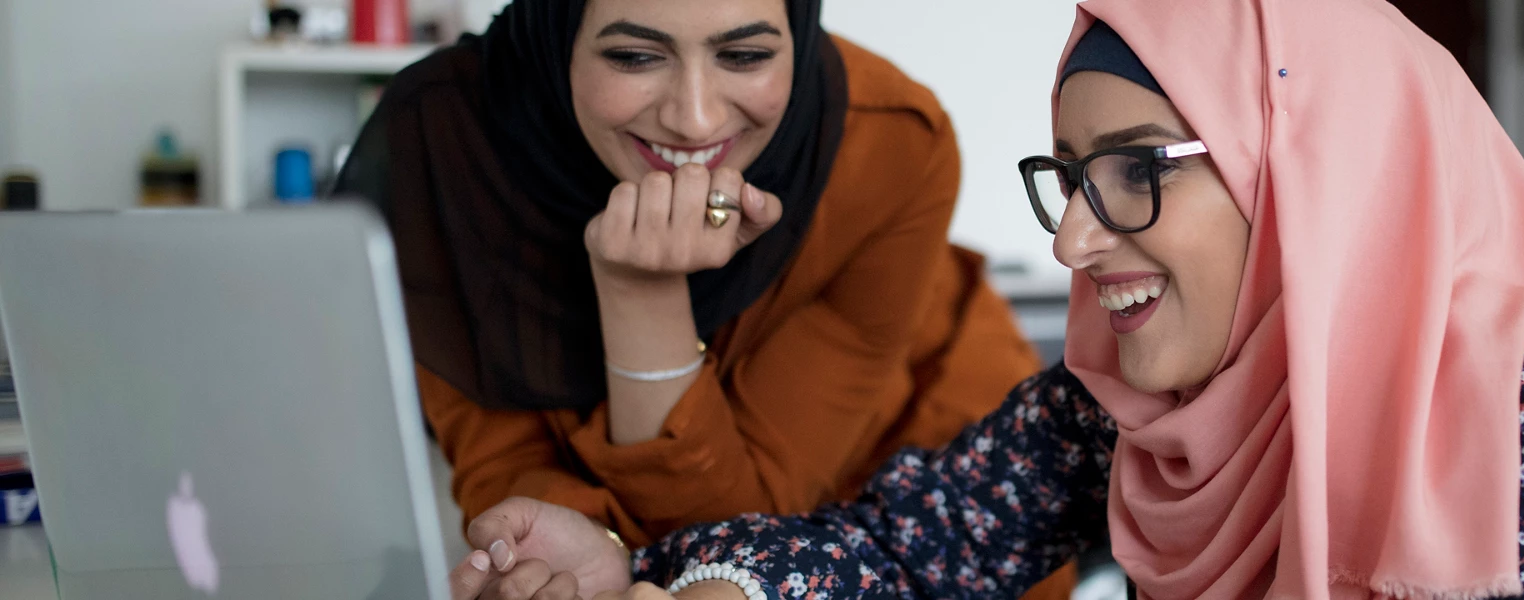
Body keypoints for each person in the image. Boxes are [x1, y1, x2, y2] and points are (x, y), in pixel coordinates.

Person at [448, 0, 1524, 598]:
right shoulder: (1117, 414)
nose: (1079, 238)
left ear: (1318, 183)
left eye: (1137, 172)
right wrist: (646, 577)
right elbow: (894, 554)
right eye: (1073, 179)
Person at [334, 0, 1066, 595]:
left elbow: (743, 528)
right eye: (633, 55)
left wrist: (642, 293)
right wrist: (591, 548)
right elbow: (505, 459)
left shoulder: (891, 143)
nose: (694, 119)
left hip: (919, 491)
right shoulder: (439, 144)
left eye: (745, 56)